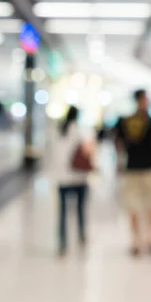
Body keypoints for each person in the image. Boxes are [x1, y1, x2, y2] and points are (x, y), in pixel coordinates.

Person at [115, 90, 151, 257]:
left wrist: (119, 162)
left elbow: (119, 144)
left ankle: (141, 240)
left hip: (132, 168)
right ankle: (147, 239)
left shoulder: (124, 121)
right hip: (148, 169)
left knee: (137, 205)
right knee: (148, 205)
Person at [52, 106, 95, 256]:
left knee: (62, 212)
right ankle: (81, 235)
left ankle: (62, 242)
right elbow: (87, 149)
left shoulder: (58, 130)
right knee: (80, 209)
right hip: (78, 177)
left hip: (61, 178)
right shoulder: (79, 130)